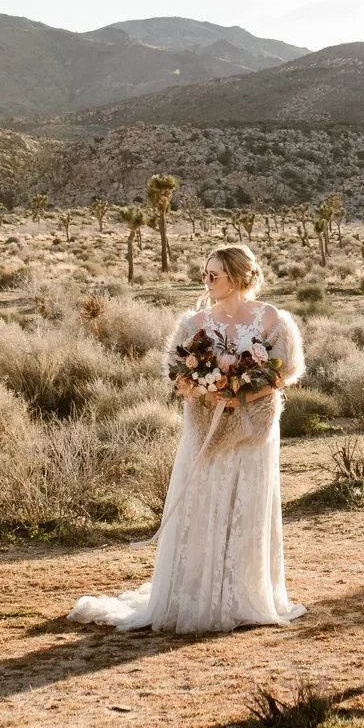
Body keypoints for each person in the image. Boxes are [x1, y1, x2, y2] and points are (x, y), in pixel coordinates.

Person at [69, 244, 307, 632]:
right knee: (204, 502)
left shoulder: (271, 319)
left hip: (253, 432)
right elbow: (178, 375)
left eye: (214, 274)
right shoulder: (195, 323)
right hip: (206, 431)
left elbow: (283, 374)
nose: (207, 281)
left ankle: (244, 595)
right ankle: (197, 592)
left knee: (246, 504)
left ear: (238, 276)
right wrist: (208, 389)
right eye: (204, 274)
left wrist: (240, 391)